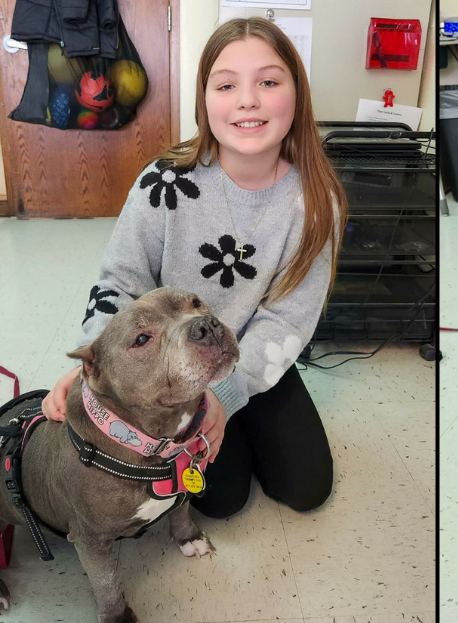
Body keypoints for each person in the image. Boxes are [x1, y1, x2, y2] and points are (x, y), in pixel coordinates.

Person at [40, 17, 347, 519]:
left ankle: (241, 406)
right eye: (227, 85)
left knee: (307, 489)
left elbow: (289, 318)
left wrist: (227, 392)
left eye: (268, 82)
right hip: (167, 366)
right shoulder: (163, 183)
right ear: (205, 98)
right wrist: (93, 367)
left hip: (247, 353)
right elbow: (119, 282)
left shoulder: (316, 202)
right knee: (221, 502)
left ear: (297, 93)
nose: (248, 100)